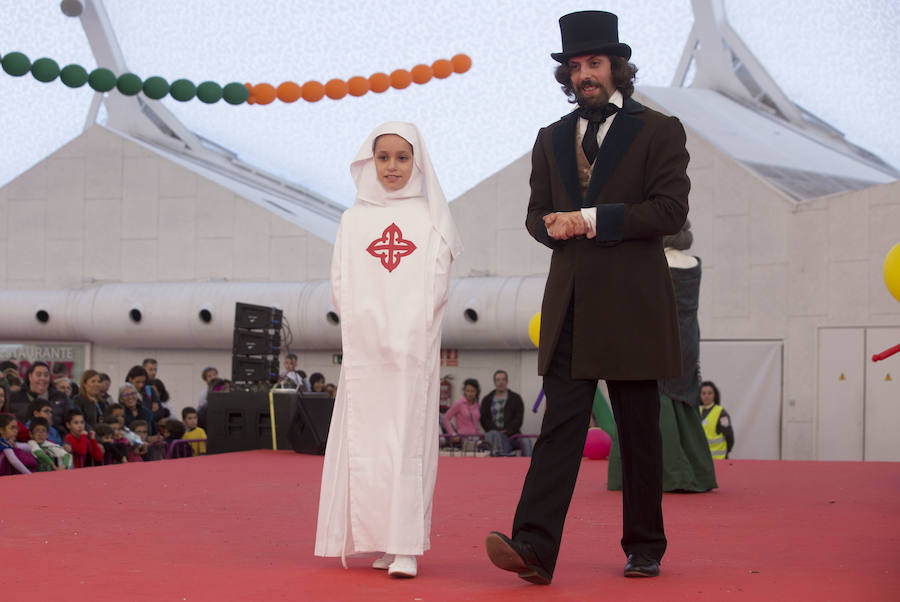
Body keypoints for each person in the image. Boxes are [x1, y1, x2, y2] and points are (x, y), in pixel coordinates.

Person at [485, 11, 690, 583]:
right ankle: (533, 549)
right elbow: (533, 216)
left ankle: (645, 544)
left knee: (638, 429)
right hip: (571, 304)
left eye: (594, 64)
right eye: (575, 67)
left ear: (617, 68)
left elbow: (671, 213)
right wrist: (550, 225)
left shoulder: (659, 130)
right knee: (560, 429)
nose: (584, 76)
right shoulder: (549, 139)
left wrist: (591, 219)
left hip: (633, 304)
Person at [315, 122, 462, 579]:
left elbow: (437, 282)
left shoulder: (431, 215)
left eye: (402, 157)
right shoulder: (353, 219)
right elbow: (341, 280)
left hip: (410, 349)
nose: (392, 166)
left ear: (417, 161)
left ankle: (406, 546)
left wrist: (408, 330)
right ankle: (379, 539)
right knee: (368, 443)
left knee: (406, 444)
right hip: (366, 351)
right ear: (369, 161)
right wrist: (364, 329)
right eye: (384, 157)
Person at [607, 219, 716, 492]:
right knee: (682, 401)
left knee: (652, 400)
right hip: (689, 338)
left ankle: (664, 473)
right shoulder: (695, 264)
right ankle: (696, 471)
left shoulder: (654, 262)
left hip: (656, 337)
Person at [8, 361, 72, 434]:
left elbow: (74, 418)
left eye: (46, 375)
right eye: (38, 375)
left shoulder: (61, 397)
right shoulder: (14, 397)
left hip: (56, 441)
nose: (43, 378)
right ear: (30, 377)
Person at [479, 370, 532, 457]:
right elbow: (484, 419)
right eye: (498, 380)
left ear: (507, 381)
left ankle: (529, 466)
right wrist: (497, 431)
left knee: (526, 442)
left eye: (503, 379)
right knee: (498, 439)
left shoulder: (516, 398)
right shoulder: (486, 399)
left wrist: (507, 430)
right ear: (494, 382)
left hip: (513, 435)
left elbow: (518, 418)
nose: (501, 382)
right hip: (494, 436)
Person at [441, 378, 482, 446]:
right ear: (464, 391)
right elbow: (446, 418)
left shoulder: (477, 405)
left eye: (472, 391)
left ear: (477, 392)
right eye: (468, 391)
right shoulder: (459, 403)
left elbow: (476, 423)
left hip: (475, 438)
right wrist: (453, 434)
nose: (470, 393)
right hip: (462, 439)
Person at [699, 381, 734, 460]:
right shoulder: (697, 412)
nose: (706, 396)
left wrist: (726, 452)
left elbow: (729, 437)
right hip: (702, 460)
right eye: (703, 393)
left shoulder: (721, 414)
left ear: (715, 395)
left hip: (718, 459)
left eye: (709, 393)